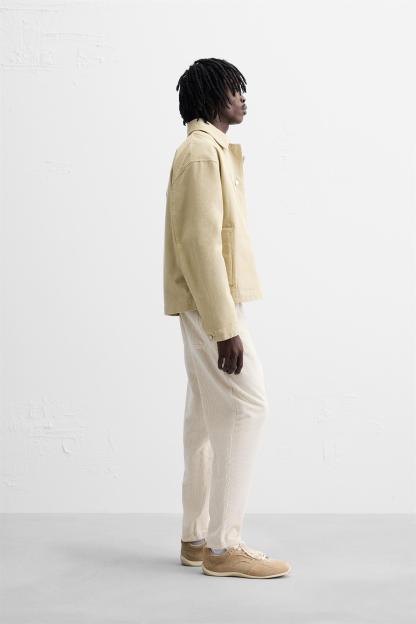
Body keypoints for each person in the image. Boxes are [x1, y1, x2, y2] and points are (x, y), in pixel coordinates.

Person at [163, 58, 291, 579]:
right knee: (246, 407)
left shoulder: (207, 149)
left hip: (207, 301)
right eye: (234, 89)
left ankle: (196, 538)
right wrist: (225, 329)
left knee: (206, 420)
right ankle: (223, 547)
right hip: (209, 304)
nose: (242, 98)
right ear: (213, 95)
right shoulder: (201, 152)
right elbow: (199, 244)